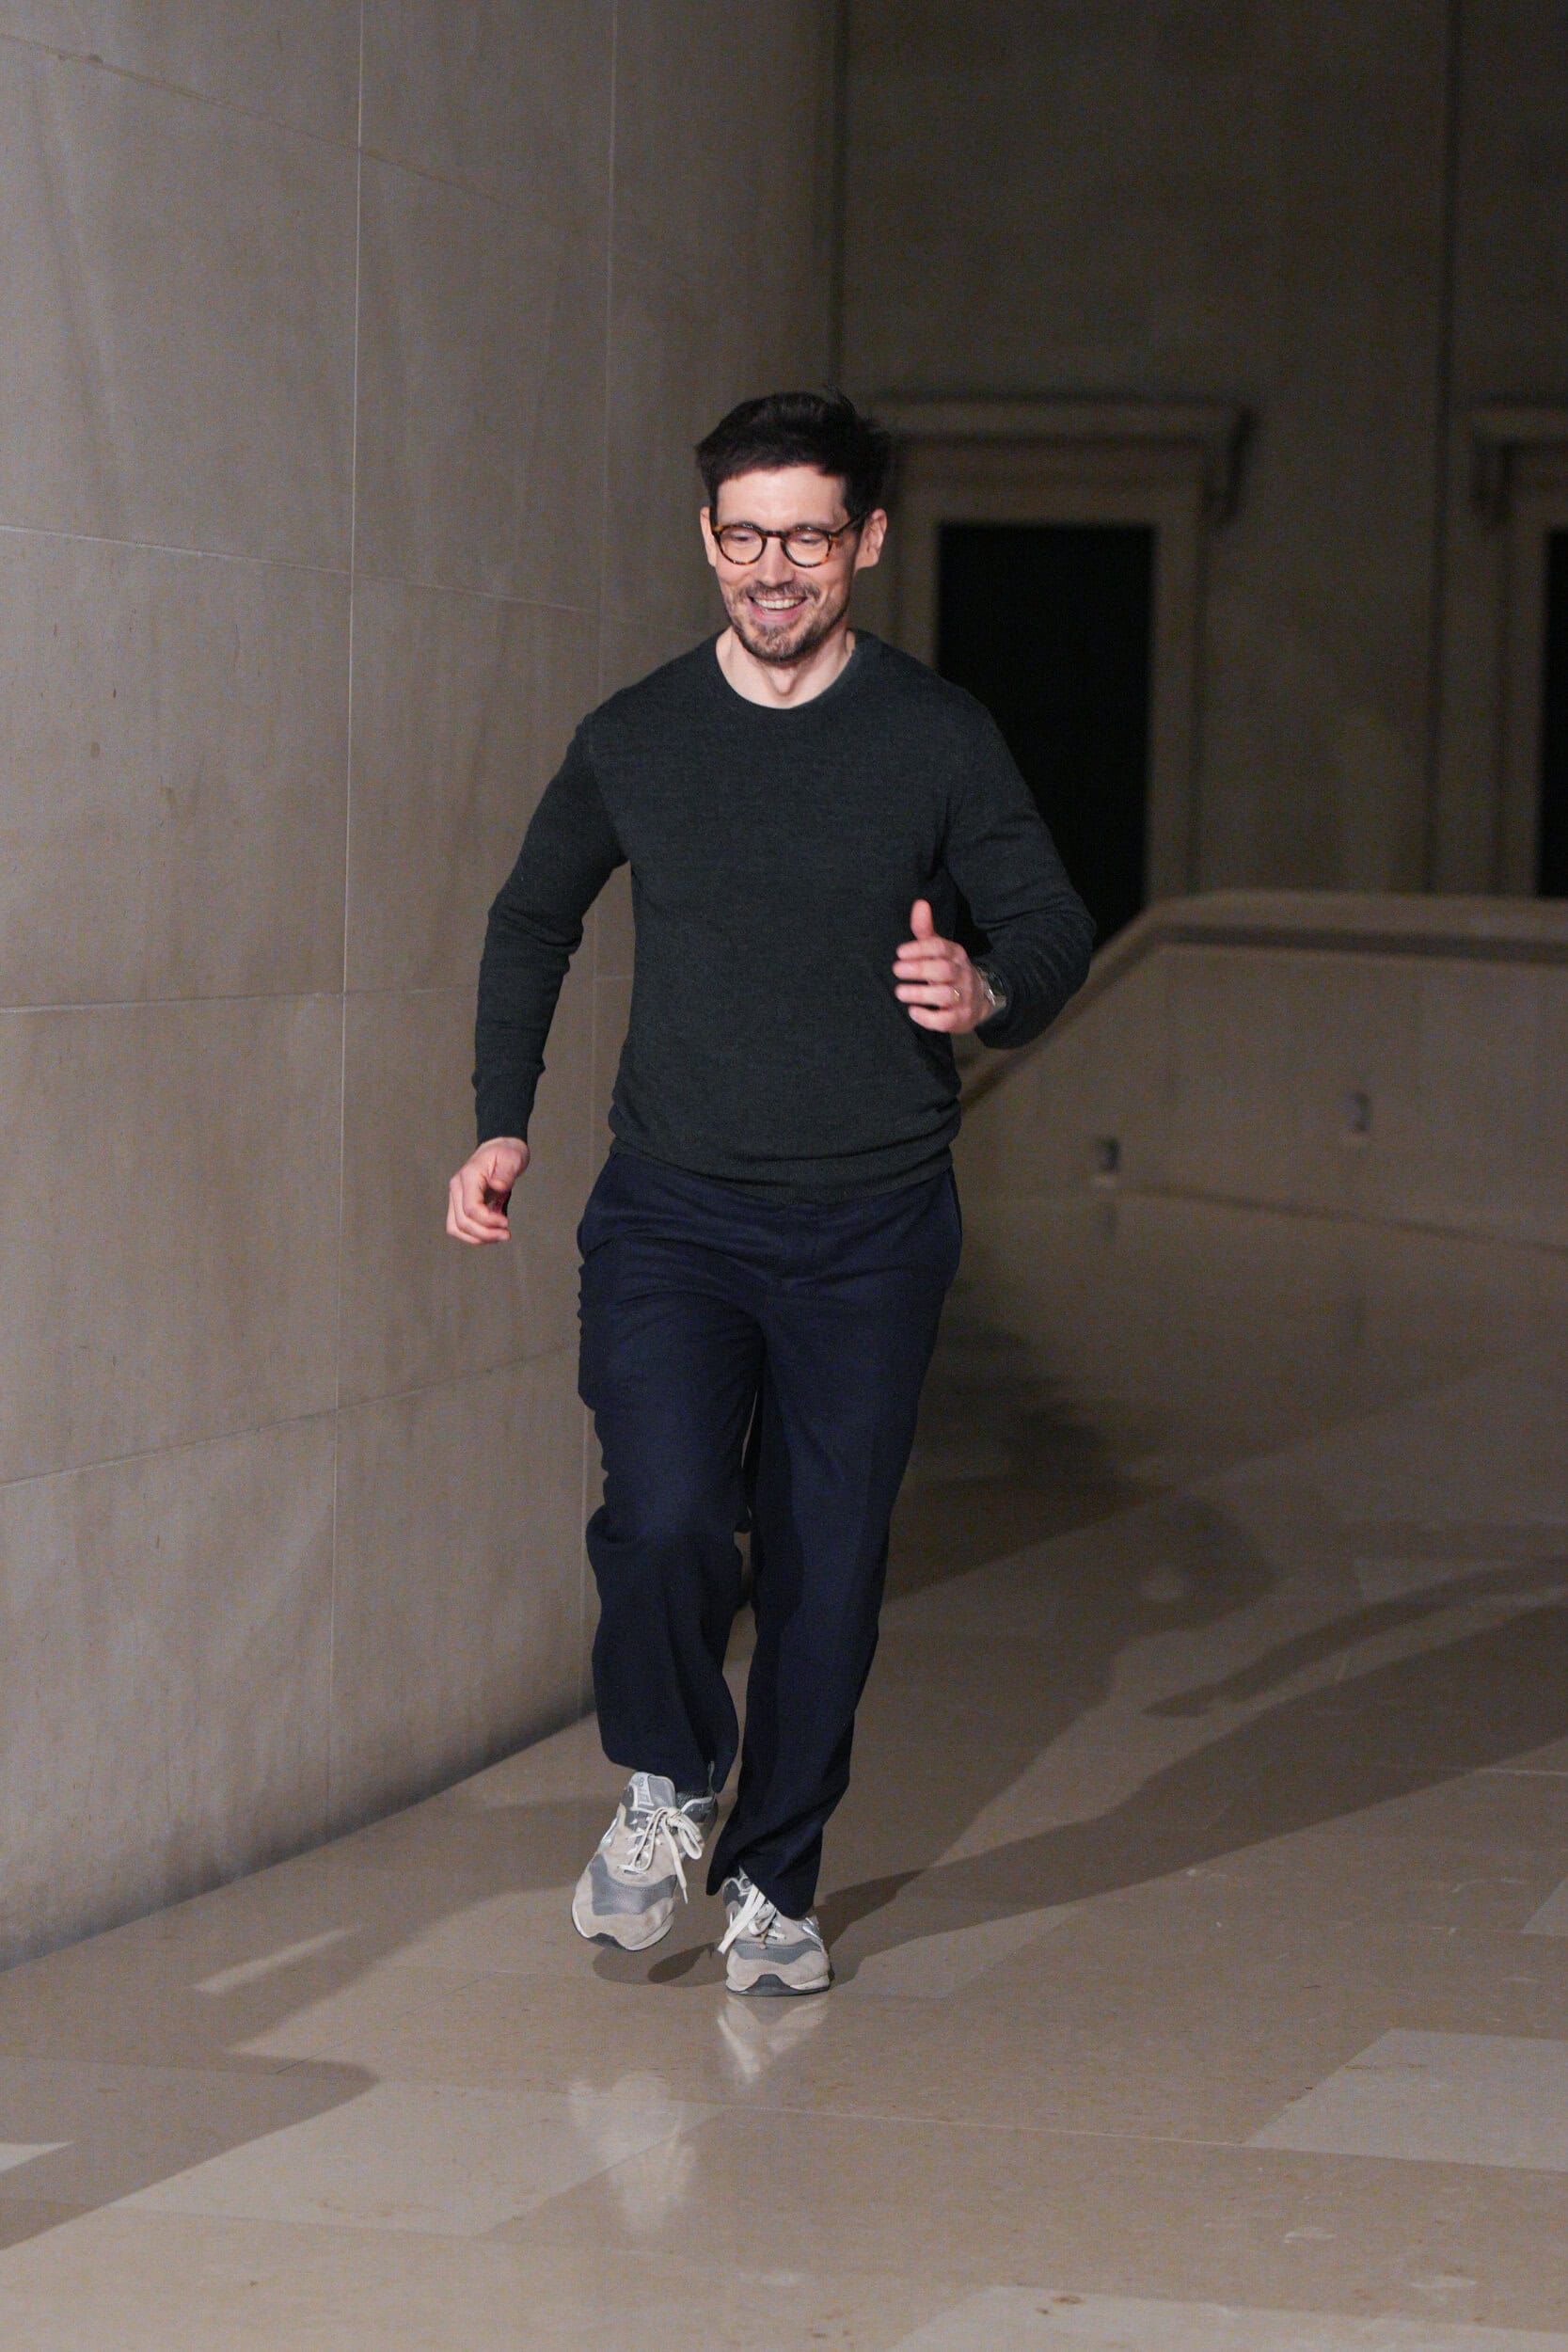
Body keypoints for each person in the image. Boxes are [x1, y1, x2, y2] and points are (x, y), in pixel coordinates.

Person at [447, 389, 1094, 1995]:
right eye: (745, 538)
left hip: (872, 1226)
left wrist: (986, 988)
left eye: (808, 537)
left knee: (825, 1568)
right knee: (665, 1516)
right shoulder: (637, 736)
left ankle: (774, 1880)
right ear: (708, 539)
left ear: (865, 542)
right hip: (673, 1211)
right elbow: (531, 920)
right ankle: (668, 1778)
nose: (773, 570)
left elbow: (1051, 925)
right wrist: (500, 1123)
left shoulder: (935, 735)